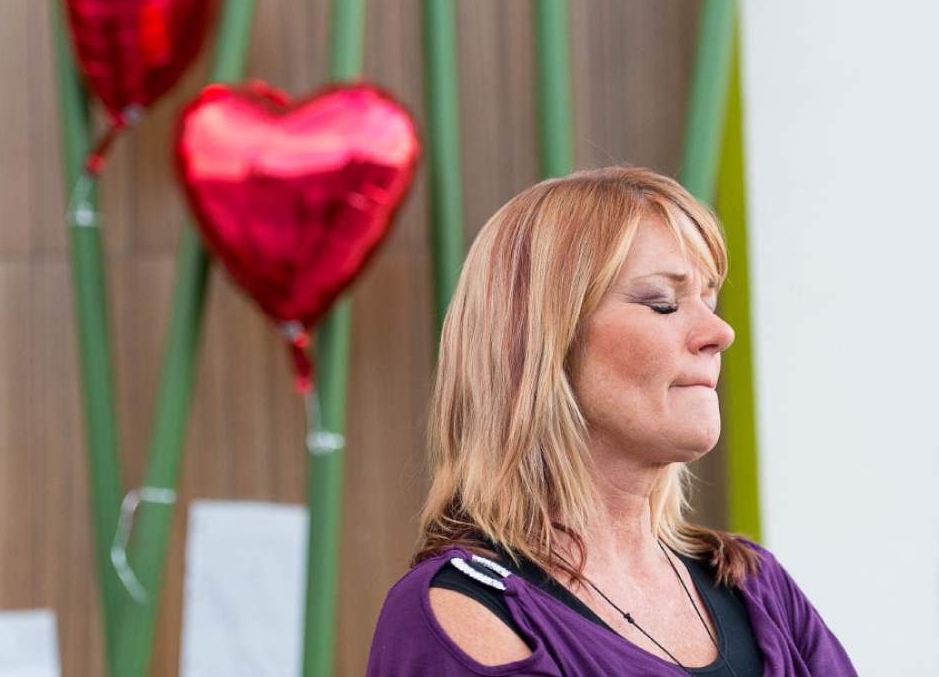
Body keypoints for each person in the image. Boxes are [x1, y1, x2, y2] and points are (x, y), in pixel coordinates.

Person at [366, 166, 857, 676]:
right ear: (542, 344)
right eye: (663, 304)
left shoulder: (758, 590)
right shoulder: (465, 614)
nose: (719, 331)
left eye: (709, 301)